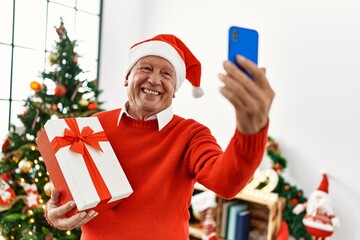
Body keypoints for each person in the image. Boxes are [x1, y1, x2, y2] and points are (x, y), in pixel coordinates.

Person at [45, 34, 275, 239]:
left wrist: (250, 131)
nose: (154, 80)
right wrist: (53, 213)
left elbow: (226, 183)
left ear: (175, 89)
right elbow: (72, 192)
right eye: (145, 68)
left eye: (166, 74)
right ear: (127, 77)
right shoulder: (93, 127)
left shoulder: (191, 134)